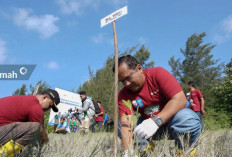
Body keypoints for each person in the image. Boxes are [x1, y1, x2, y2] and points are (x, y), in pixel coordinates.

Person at [113, 55, 202, 157]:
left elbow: (180, 99)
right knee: (121, 126)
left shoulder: (157, 74)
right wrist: (128, 152)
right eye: (122, 81)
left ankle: (185, 152)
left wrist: (156, 121)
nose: (126, 84)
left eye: (128, 78)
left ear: (139, 68)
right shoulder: (124, 94)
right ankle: (146, 150)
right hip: (149, 132)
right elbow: (126, 123)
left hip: (175, 126)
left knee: (186, 118)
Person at [0, 89, 60, 156]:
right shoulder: (36, 107)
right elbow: (41, 134)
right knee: (36, 128)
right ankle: (3, 154)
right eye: (50, 105)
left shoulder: (25, 99)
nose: (48, 109)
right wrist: (48, 148)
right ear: (44, 97)